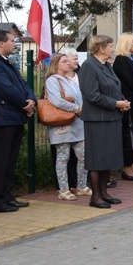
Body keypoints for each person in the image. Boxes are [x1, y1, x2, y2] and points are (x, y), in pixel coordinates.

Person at [0, 30, 36, 213]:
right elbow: (6, 88)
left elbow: (23, 84)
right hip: (3, 117)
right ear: (1, 43)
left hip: (14, 116)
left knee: (10, 160)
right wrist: (24, 104)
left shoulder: (7, 62)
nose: (14, 43)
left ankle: (6, 195)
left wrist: (31, 99)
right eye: (12, 41)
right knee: (0, 160)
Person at [78, 35, 130, 208]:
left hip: (111, 118)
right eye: (110, 46)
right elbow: (92, 95)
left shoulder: (106, 65)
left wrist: (122, 102)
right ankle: (95, 197)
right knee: (97, 159)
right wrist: (116, 104)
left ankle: (104, 193)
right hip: (97, 120)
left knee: (107, 158)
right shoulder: (88, 66)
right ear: (101, 48)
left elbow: (115, 87)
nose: (113, 49)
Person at [44, 53, 91, 200]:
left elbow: (80, 97)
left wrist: (81, 108)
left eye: (67, 61)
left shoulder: (70, 80)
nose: (68, 64)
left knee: (83, 156)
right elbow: (56, 101)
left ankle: (81, 185)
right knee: (63, 156)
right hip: (63, 123)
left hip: (77, 123)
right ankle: (63, 189)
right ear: (56, 64)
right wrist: (77, 109)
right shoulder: (52, 80)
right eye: (64, 61)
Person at [112, 32, 133, 181]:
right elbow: (130, 81)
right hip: (129, 101)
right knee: (128, 135)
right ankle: (126, 167)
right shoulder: (121, 61)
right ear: (125, 44)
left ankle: (132, 165)